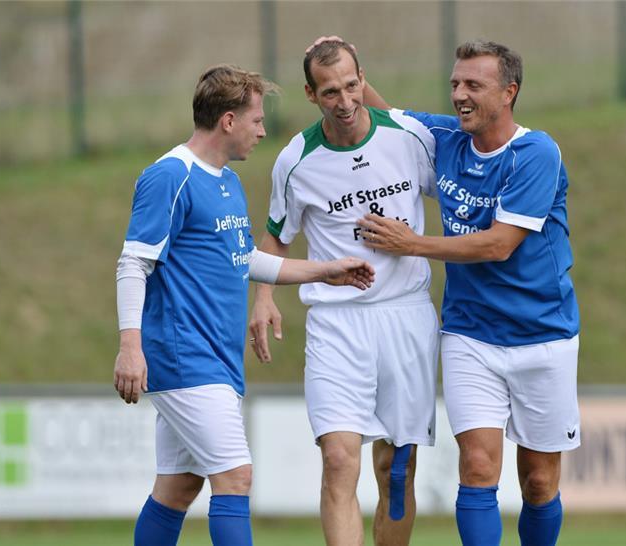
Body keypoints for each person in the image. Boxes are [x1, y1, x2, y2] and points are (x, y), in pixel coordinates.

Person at [113, 64, 375, 546]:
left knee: (178, 487)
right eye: (256, 120)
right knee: (235, 478)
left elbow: (243, 259)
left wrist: (324, 269)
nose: (262, 130)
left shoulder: (227, 181)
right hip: (183, 355)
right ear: (228, 121)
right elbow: (134, 263)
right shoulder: (170, 176)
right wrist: (130, 347)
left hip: (215, 356)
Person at [356, 40, 581, 546]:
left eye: (473, 85)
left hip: (543, 334)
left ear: (509, 93)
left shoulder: (535, 153)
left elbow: (499, 245)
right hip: (469, 334)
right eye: (456, 83)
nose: (459, 94)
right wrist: (347, 65)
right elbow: (383, 114)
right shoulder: (445, 138)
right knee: (478, 465)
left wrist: (412, 244)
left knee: (539, 481)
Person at [248, 40, 439, 546]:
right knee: (338, 460)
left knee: (397, 469)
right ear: (311, 94)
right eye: (330, 91)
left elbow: (461, 196)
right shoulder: (296, 160)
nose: (345, 101)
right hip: (336, 324)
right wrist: (263, 298)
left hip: (407, 317)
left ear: (363, 79)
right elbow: (275, 236)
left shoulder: (409, 137)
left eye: (352, 86)